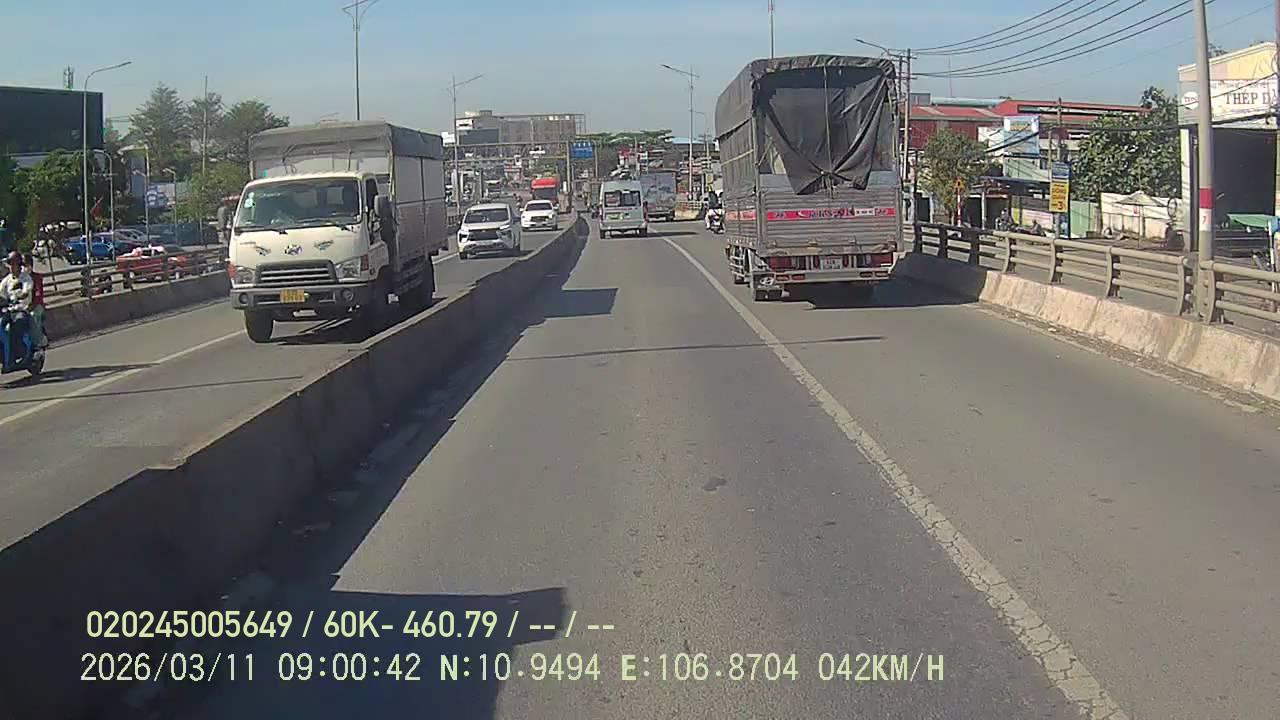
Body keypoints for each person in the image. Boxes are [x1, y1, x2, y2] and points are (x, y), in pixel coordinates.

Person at [1, 251, 35, 367]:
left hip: (21, 310)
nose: (11, 267)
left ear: (19, 264)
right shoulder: (6, 280)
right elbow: (1, 293)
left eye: (13, 264)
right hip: (8, 311)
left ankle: (18, 355)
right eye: (10, 264)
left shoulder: (26, 278)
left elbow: (27, 290)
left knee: (14, 327)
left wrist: (21, 296)